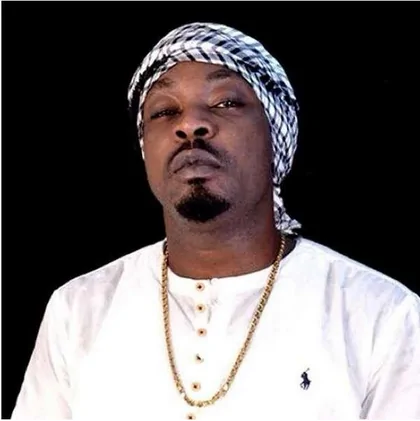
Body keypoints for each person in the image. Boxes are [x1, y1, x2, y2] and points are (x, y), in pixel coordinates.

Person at [11, 22, 420, 420]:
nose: (189, 124)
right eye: (164, 111)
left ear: (275, 137)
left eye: (226, 103)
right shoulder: (78, 310)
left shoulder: (380, 315)